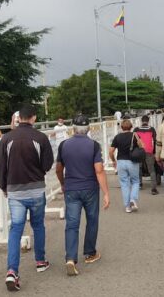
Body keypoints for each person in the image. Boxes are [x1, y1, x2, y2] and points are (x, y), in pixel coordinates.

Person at [0, 105, 54, 291]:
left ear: (18, 118)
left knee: (15, 230)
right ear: (33, 118)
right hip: (36, 190)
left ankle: (12, 271)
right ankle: (40, 261)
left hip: (15, 192)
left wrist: (4, 187)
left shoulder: (6, 139)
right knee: (38, 225)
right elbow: (47, 164)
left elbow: (0, 167)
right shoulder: (41, 138)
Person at [55, 115, 110, 276]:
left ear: (72, 128)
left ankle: (71, 258)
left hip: (71, 188)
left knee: (72, 224)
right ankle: (90, 253)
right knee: (92, 220)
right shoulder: (94, 146)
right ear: (89, 129)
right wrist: (106, 193)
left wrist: (63, 184)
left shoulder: (64, 145)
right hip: (90, 188)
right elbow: (99, 170)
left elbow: (58, 169)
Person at [109, 119, 142, 213]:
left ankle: (127, 207)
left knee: (124, 184)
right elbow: (142, 146)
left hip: (120, 162)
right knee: (135, 181)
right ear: (131, 126)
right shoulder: (135, 135)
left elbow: (111, 151)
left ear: (121, 127)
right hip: (132, 162)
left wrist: (113, 161)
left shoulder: (117, 137)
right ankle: (133, 199)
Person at [134, 115, 161, 195]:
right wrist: (155, 152)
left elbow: (134, 140)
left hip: (139, 151)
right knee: (152, 170)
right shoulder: (151, 129)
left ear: (141, 121)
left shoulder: (136, 129)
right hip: (149, 151)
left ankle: (139, 184)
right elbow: (156, 140)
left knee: (139, 168)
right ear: (148, 121)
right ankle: (153, 189)